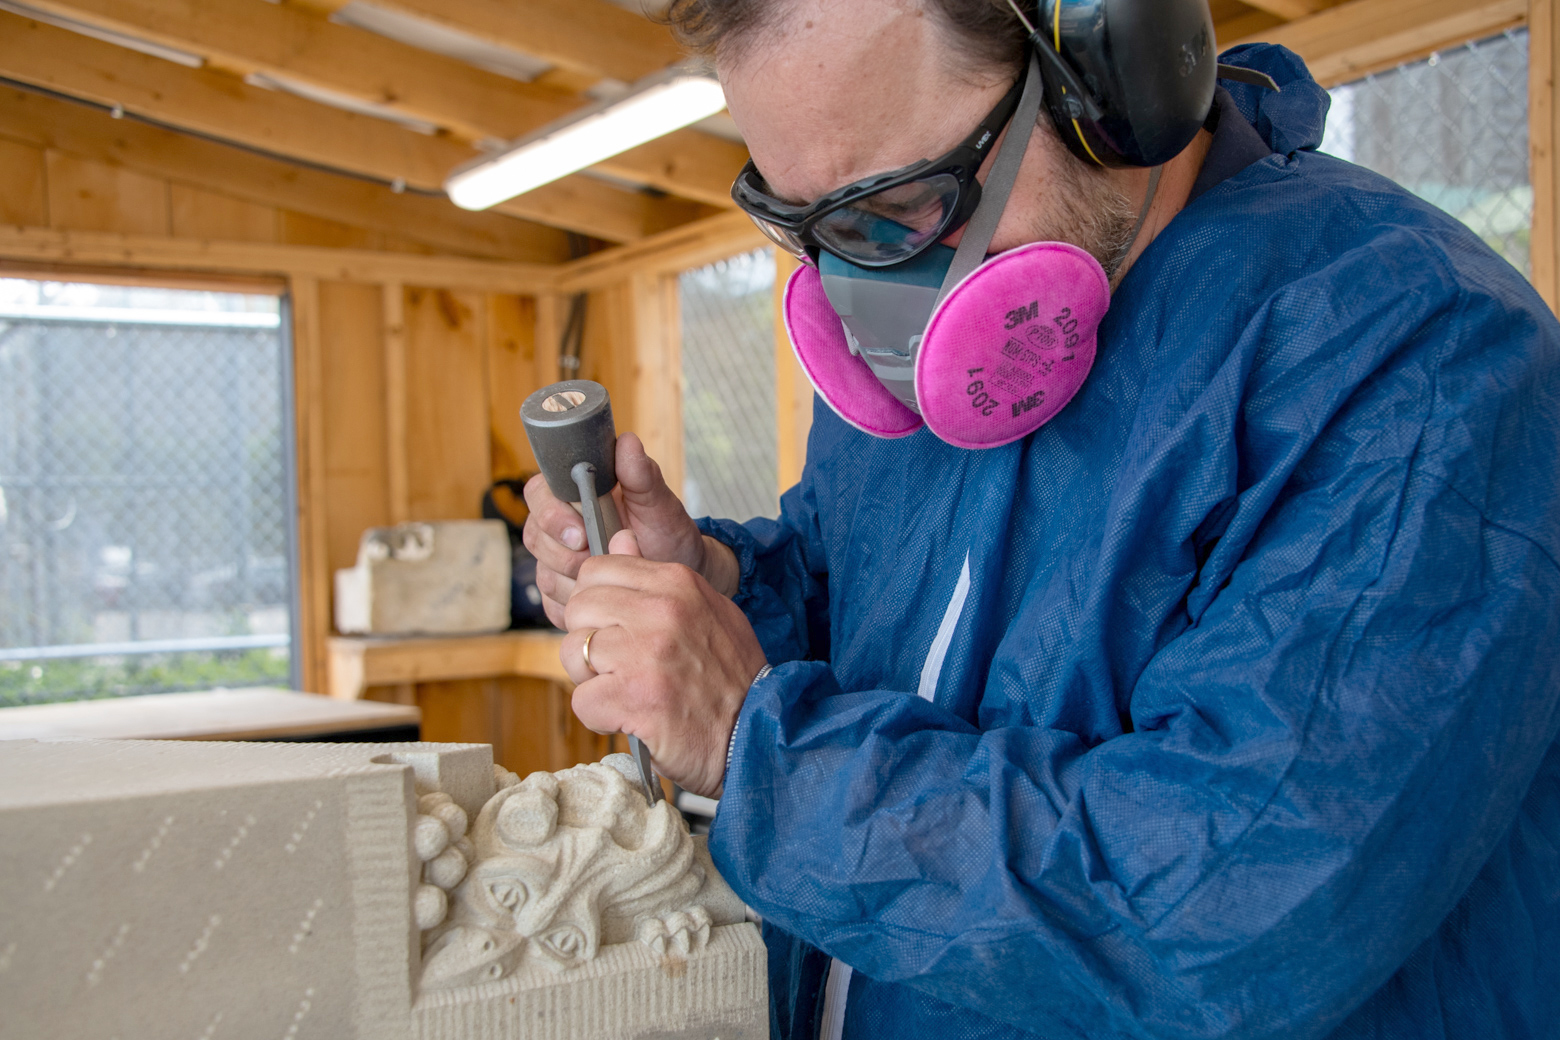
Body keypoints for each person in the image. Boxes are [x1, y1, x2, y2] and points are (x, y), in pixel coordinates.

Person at [522, 1, 1560, 1036]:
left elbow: (1228, 908)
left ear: (1106, 84)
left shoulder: (1413, 353)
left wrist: (760, 751)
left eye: (902, 207)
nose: (862, 291)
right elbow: (871, 615)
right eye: (809, 227)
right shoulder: (918, 361)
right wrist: (720, 588)